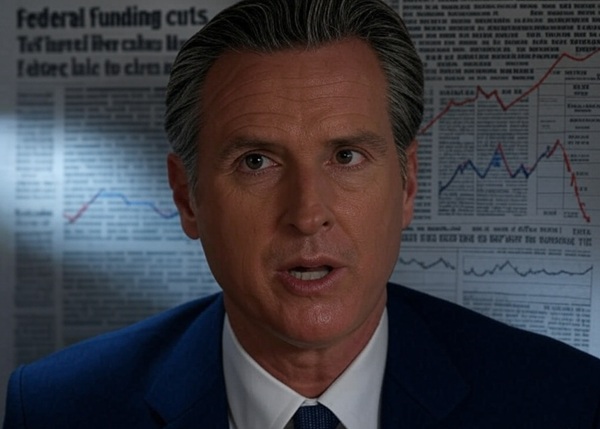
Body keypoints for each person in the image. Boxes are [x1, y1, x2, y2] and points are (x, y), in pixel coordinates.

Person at [4, 0, 600, 427]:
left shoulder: (568, 401)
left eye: (346, 156)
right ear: (187, 198)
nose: (308, 214)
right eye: (256, 162)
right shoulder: (56, 408)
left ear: (408, 183)